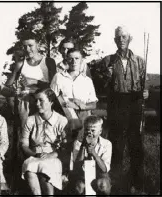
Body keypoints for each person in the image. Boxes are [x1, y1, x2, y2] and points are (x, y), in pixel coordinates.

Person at [99, 26, 149, 193]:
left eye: (124, 36)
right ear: (114, 40)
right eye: (118, 37)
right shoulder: (107, 60)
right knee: (117, 145)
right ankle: (117, 183)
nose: (121, 39)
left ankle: (137, 181)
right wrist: (107, 75)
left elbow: (145, 83)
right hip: (116, 103)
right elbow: (101, 87)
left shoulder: (140, 61)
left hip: (135, 103)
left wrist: (146, 92)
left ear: (130, 39)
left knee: (136, 145)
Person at [20, 88, 68, 195]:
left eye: (41, 100)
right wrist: (34, 154)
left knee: (45, 171)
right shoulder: (30, 120)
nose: (37, 104)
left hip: (54, 157)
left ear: (51, 102)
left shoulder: (61, 121)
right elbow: (24, 145)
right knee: (29, 169)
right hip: (34, 155)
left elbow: (65, 147)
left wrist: (51, 154)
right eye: (36, 100)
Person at [3, 33, 57, 124]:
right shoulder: (20, 64)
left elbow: (54, 86)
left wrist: (34, 82)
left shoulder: (48, 62)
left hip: (43, 104)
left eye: (30, 45)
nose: (27, 49)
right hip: (25, 105)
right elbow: (7, 85)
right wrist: (15, 90)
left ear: (38, 45)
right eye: (24, 46)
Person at [50, 47, 98, 142]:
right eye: (70, 58)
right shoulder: (58, 77)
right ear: (66, 60)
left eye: (77, 58)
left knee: (80, 147)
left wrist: (81, 106)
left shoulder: (87, 80)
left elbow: (94, 104)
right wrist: (65, 105)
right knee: (64, 146)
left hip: (82, 119)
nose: (73, 61)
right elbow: (50, 99)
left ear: (81, 60)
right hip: (63, 117)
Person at [70, 115, 112, 195]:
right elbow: (77, 165)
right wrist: (83, 146)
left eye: (93, 130)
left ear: (100, 131)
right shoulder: (77, 143)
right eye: (87, 130)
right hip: (83, 173)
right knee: (80, 187)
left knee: (103, 185)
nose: (89, 133)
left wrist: (94, 153)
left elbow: (104, 169)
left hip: (100, 173)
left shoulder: (106, 144)